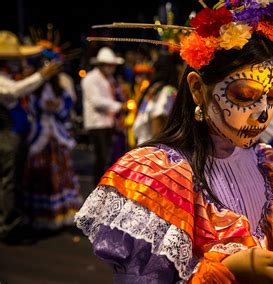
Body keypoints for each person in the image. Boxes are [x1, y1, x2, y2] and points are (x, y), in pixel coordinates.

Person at [76, 2, 273, 282]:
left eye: (271, 97)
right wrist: (228, 270)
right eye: (245, 96)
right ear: (198, 89)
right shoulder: (162, 175)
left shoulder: (269, 166)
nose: (262, 113)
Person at [0, 30, 61, 243]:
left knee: (14, 180)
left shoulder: (7, 75)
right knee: (9, 182)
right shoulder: (3, 78)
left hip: (16, 134)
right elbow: (15, 91)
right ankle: (9, 228)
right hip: (8, 135)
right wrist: (41, 75)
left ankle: (13, 222)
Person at [22, 51, 82, 231]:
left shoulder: (60, 88)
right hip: (40, 137)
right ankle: (40, 214)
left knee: (61, 175)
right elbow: (30, 110)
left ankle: (61, 212)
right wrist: (43, 109)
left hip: (56, 137)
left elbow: (66, 111)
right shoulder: (33, 89)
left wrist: (58, 107)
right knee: (40, 174)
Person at [81, 46, 126, 183]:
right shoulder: (90, 79)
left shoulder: (110, 79)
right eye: (109, 65)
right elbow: (97, 102)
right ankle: (97, 187)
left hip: (109, 122)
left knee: (108, 158)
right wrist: (119, 106)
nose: (111, 68)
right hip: (97, 124)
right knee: (100, 159)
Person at [133, 52, 181, 145]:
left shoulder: (152, 89)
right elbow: (158, 116)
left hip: (143, 143)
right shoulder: (168, 91)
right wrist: (159, 148)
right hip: (153, 147)